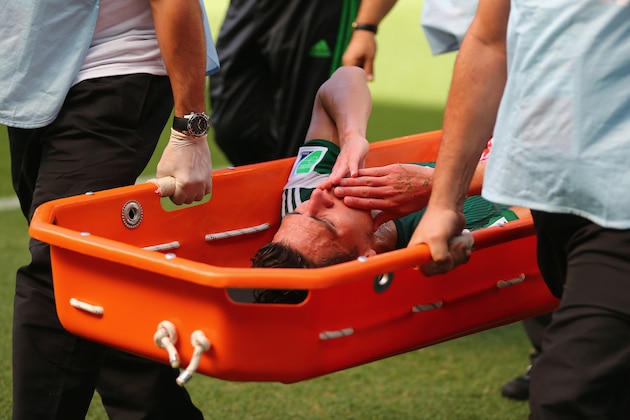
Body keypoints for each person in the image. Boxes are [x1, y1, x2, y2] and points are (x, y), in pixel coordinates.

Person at [407, 0, 630, 417]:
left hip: (620, 209)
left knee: (568, 397)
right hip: (555, 198)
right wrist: (443, 203)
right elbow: (491, 41)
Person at [1, 1, 218, 418]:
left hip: (117, 64)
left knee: (60, 266)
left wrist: (191, 131)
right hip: (35, 77)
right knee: (96, 284)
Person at [250, 66, 526, 303]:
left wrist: (352, 135)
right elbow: (559, 183)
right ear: (367, 258)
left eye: (299, 211)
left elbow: (344, 78)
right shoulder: (447, 240)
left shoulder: (306, 195)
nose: (319, 197)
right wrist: (443, 186)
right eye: (327, 221)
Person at [209, 0, 397, 166]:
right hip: (248, 6)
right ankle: (276, 190)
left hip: (318, 9)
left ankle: (300, 196)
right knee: (233, 129)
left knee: (303, 137)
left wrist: (366, 27)